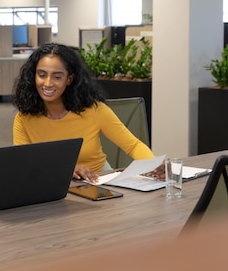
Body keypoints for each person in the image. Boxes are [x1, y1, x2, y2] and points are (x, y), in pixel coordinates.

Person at [13, 42, 155, 182]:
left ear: (69, 79)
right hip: (51, 185)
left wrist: (154, 165)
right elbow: (24, 164)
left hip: (99, 183)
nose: (48, 83)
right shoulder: (24, 118)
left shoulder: (95, 110)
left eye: (57, 77)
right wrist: (67, 169)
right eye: (42, 75)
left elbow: (133, 146)